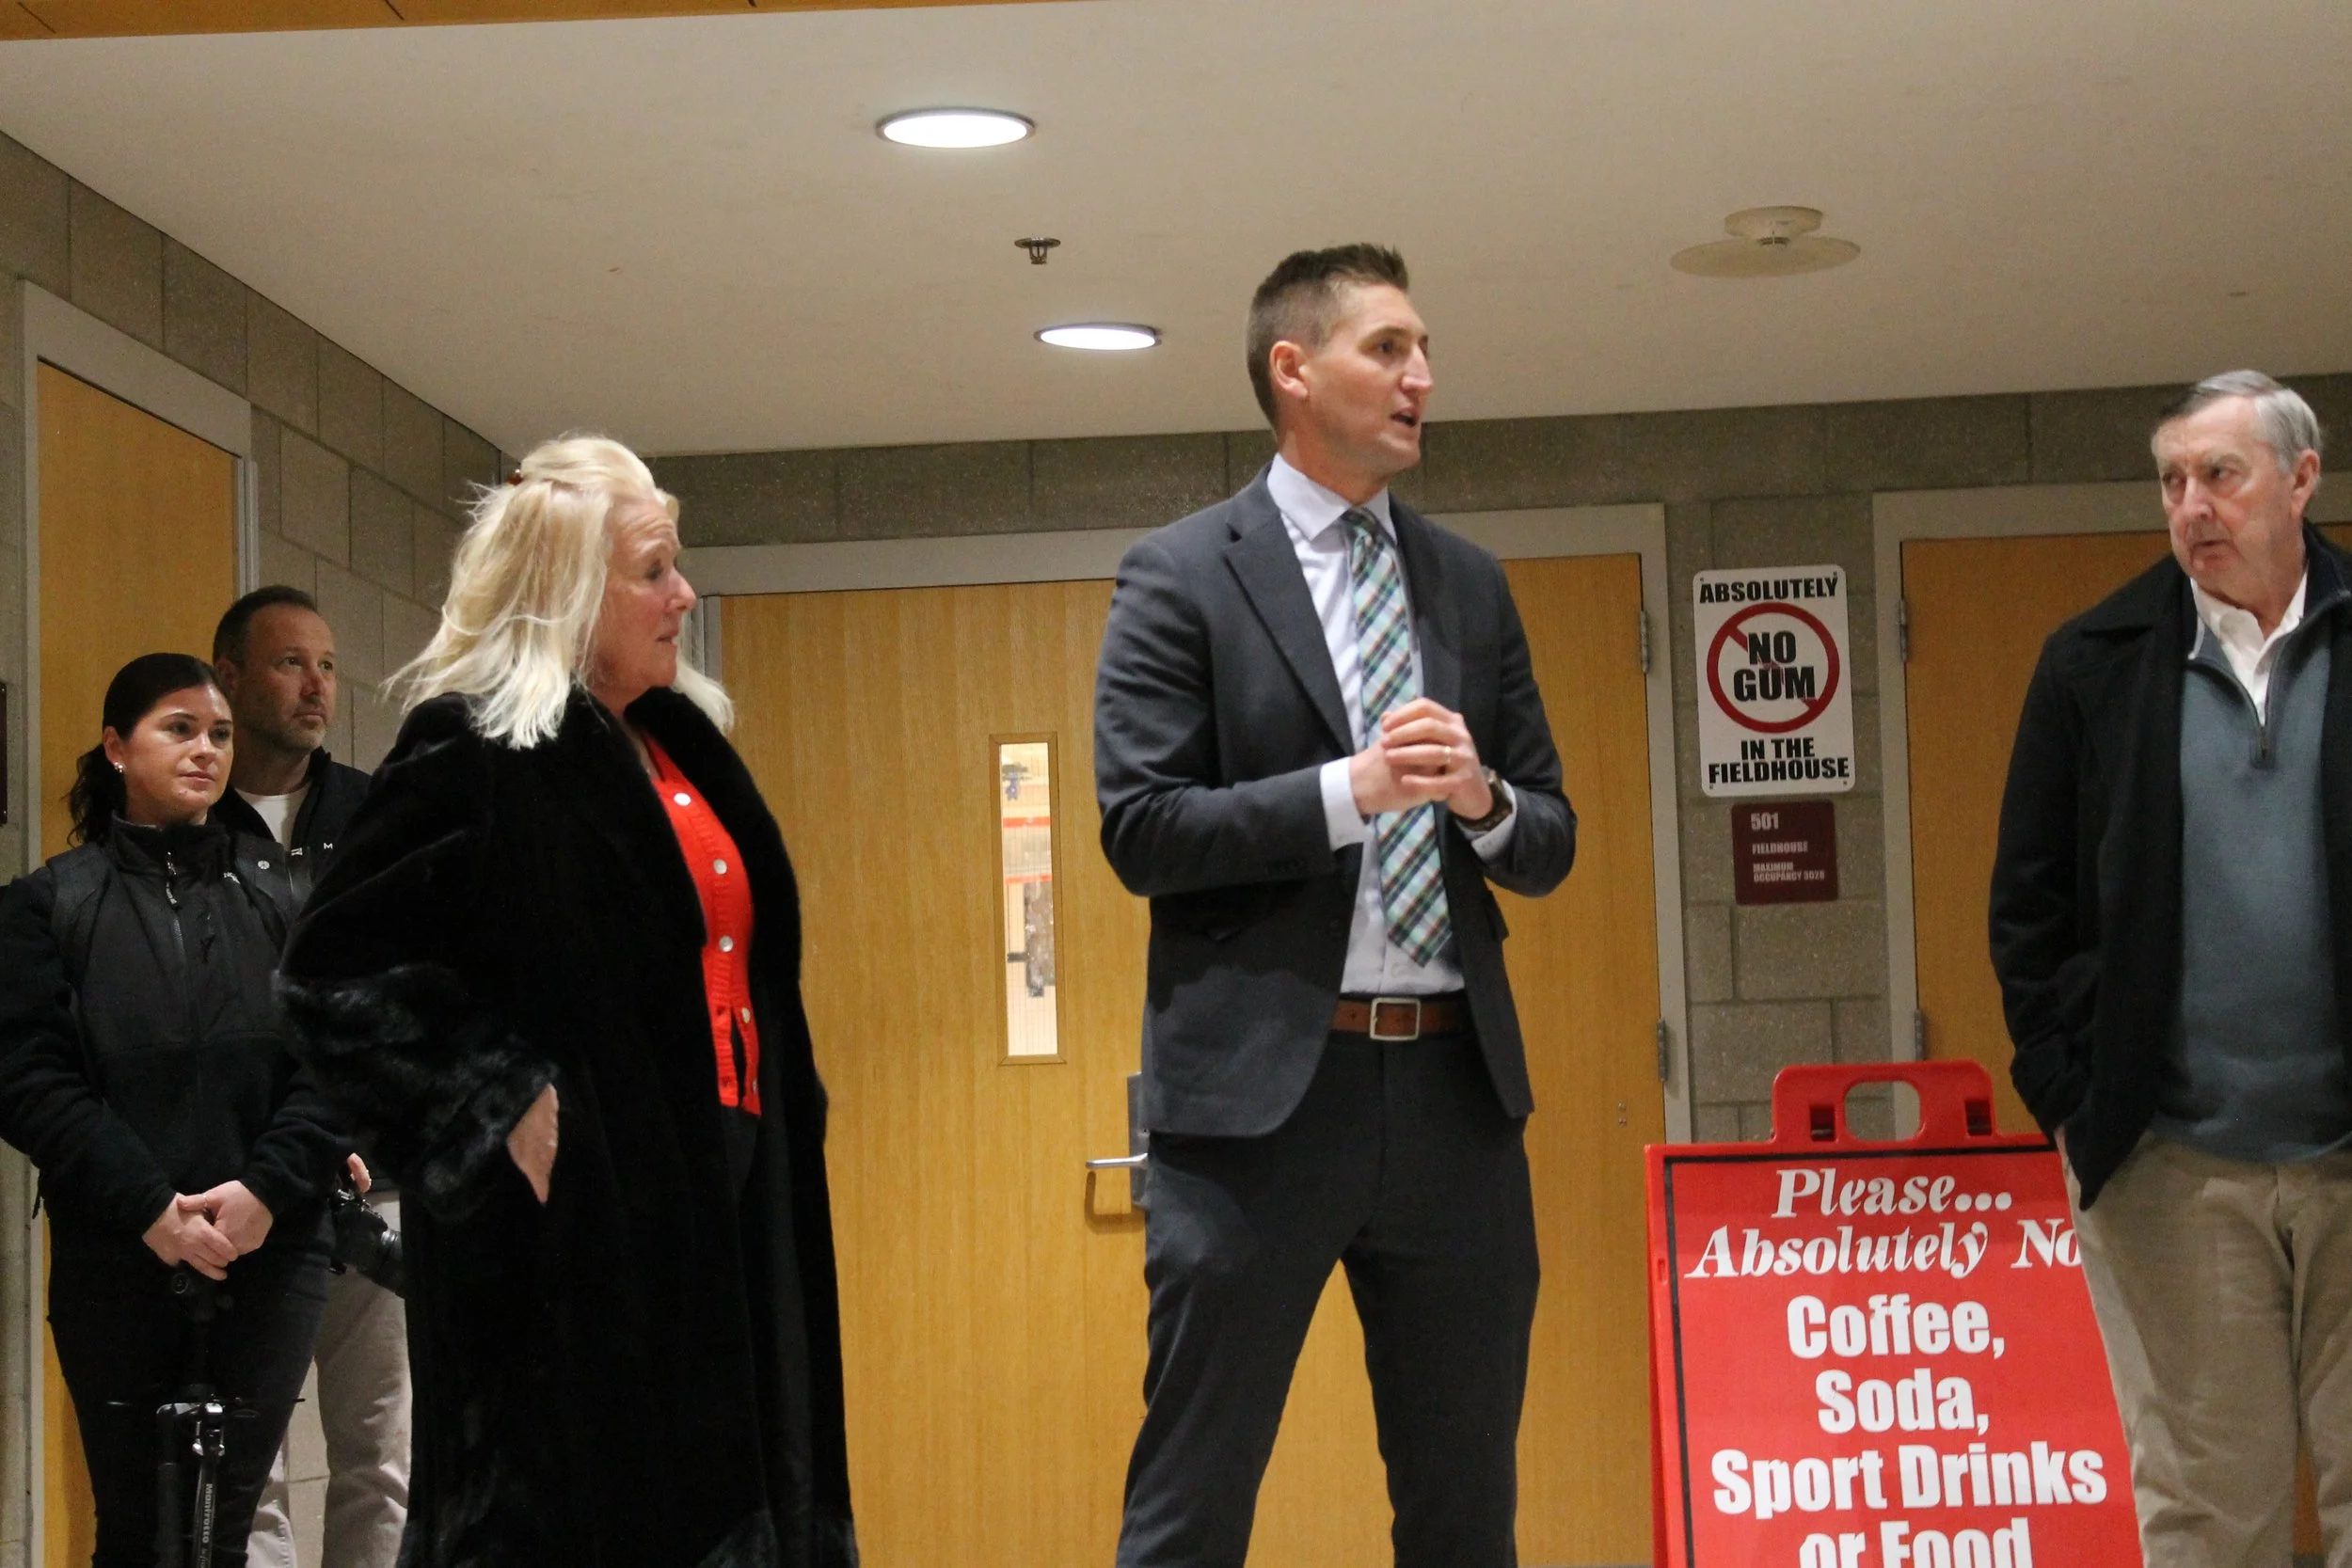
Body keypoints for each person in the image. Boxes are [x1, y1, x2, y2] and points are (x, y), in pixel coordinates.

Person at [275, 435, 857, 1567]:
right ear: (569, 589)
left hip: (730, 1186)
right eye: (653, 570)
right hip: (569, 1232)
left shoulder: (673, 743)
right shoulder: (476, 746)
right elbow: (330, 969)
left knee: (738, 1488)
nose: (683, 594)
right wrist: (490, 1094)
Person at [1092, 245, 1578, 1568]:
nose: (1422, 377)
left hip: (1454, 1103)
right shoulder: (1182, 572)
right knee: (1194, 1505)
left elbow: (1549, 837)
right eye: (1388, 348)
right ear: (1293, 369)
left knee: (1465, 1508)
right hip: (1255, 1112)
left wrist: (1481, 802)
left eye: (1425, 352)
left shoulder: (1468, 582)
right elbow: (1141, 828)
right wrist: (1348, 791)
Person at [1990, 371, 2347, 1564]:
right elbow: (2028, 902)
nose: (2190, 504)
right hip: (2173, 1166)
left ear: (2301, 480)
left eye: (2220, 475)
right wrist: (2072, 1093)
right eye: (2171, 480)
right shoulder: (2093, 660)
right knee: (2207, 1513)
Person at [0, 652, 342, 1567]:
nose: (205, 750)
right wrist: (152, 1208)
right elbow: (30, 1081)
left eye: (220, 733)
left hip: (272, 1245)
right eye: (179, 728)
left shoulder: (285, 897)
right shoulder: (46, 904)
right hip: (119, 1247)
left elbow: (334, 1062)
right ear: (117, 745)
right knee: (137, 1522)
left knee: (223, 1526)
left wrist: (266, 1191)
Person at [208, 584, 408, 1568]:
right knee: (256, 1459)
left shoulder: (374, 811)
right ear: (232, 677)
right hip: (246, 1182)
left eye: (326, 665)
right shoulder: (191, 823)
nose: (316, 684)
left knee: (382, 1448)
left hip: (380, 1179)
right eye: (291, 662)